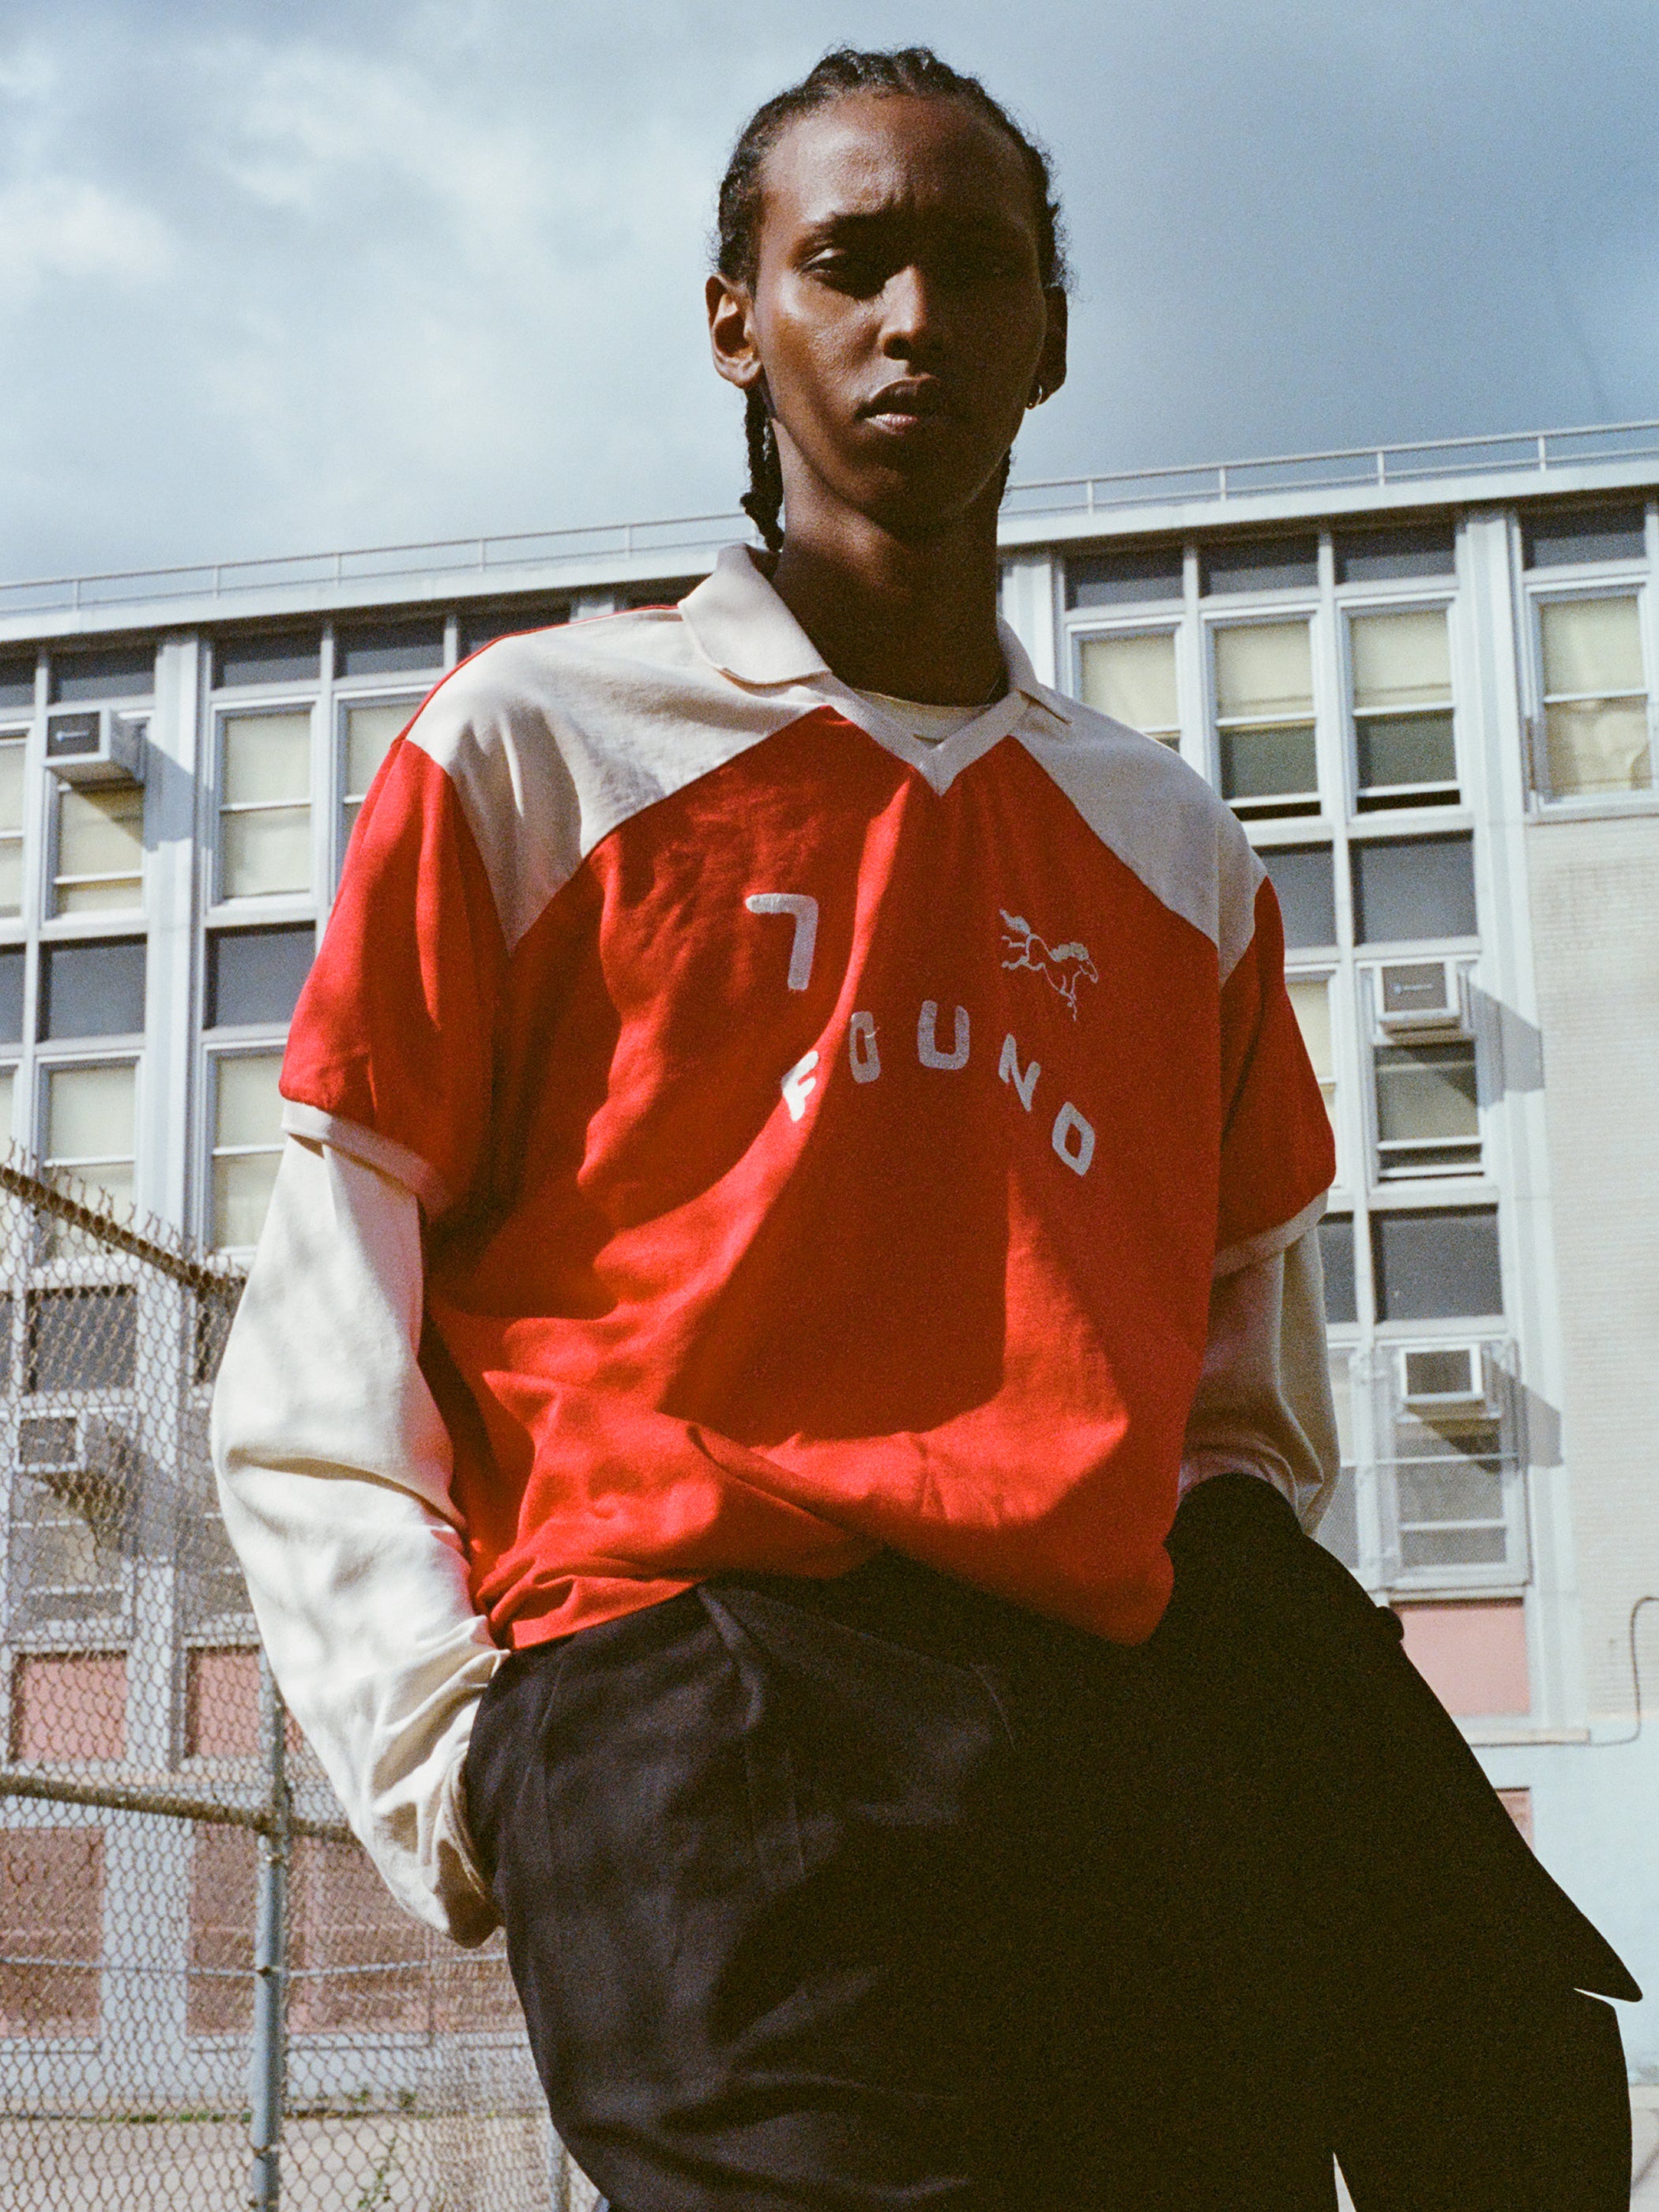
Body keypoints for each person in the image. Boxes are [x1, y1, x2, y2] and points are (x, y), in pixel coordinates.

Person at [213, 44, 1635, 2212]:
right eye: (847, 262)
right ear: (736, 319)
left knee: (1514, 2085)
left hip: (1114, 1713)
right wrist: (467, 1759)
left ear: (1049, 335)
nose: (912, 321)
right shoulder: (537, 746)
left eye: (976, 267)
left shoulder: (1171, 847)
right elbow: (329, 1315)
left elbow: (1235, 1400)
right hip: (700, 1693)